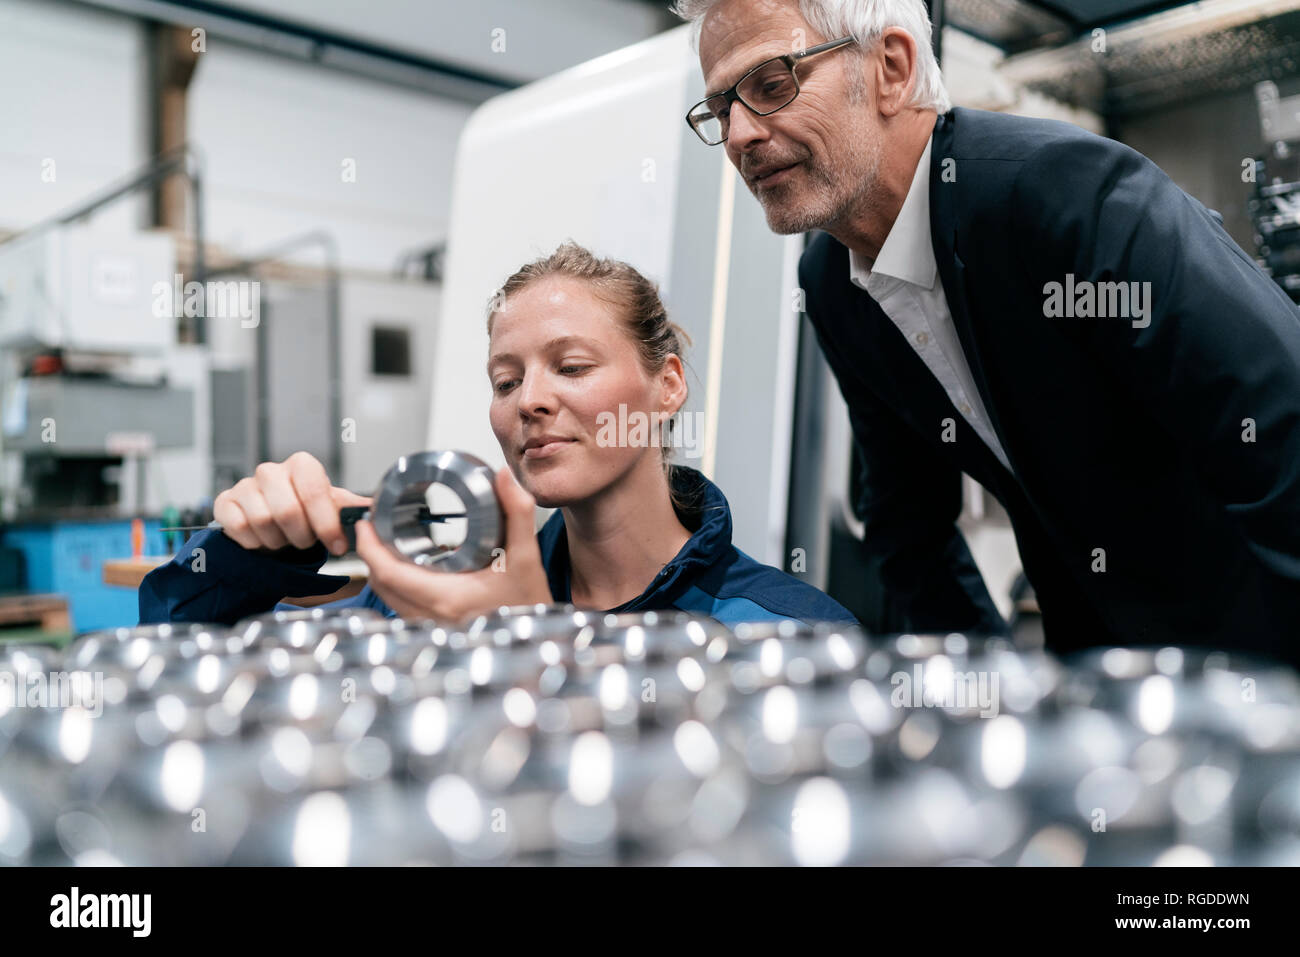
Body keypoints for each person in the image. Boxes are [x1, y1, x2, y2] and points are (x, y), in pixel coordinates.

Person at [674, 0, 1300, 664]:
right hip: (1101, 679)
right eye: (719, 110)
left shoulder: (1064, 193)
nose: (739, 135)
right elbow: (906, 527)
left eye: (771, 85)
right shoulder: (832, 281)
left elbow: (1282, 427)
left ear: (890, 67)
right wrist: (989, 690)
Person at [139, 242, 854, 627]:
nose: (530, 401)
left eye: (570, 366)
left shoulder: (787, 631)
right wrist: (250, 556)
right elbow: (182, 657)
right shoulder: (444, 594)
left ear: (668, 385)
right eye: (506, 381)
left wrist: (524, 644)